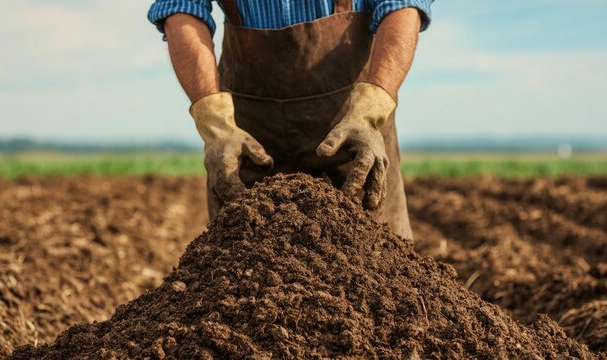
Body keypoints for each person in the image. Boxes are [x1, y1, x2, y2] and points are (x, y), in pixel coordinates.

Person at [148, 0, 433, 239]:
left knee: (380, 272)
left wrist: (370, 112)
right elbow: (181, 10)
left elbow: (402, 6)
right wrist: (216, 124)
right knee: (237, 271)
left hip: (352, 128)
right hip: (247, 135)